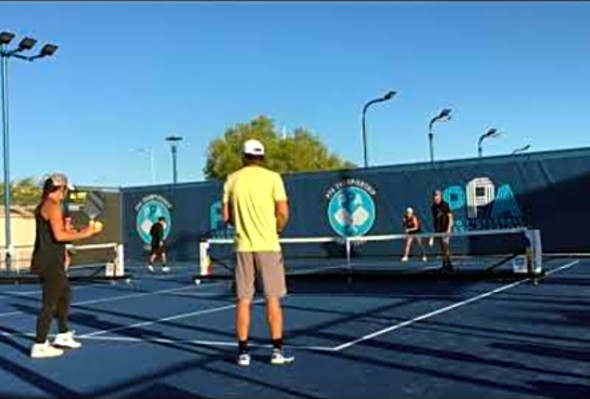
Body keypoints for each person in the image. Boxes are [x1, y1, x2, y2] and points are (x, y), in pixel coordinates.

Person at [222, 138, 293, 367]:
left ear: (243, 156)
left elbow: (226, 217)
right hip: (270, 246)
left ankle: (243, 353)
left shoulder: (232, 180)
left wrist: (241, 222)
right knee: (272, 299)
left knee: (243, 300)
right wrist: (276, 229)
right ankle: (277, 352)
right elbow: (283, 212)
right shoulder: (274, 178)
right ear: (262, 157)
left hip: (242, 247)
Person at [30, 173, 102, 359]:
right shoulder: (52, 205)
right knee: (50, 303)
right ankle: (39, 344)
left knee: (65, 294)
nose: (65, 194)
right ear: (59, 188)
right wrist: (87, 233)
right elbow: (60, 236)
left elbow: (58, 235)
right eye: (65, 191)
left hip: (52, 258)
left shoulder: (46, 205)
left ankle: (62, 335)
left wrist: (67, 247)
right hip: (50, 262)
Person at [430, 189, 454, 272]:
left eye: (437, 196)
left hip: (446, 229)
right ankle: (446, 264)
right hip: (439, 231)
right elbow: (435, 220)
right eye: (434, 196)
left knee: (445, 247)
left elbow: (450, 218)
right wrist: (435, 232)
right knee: (442, 249)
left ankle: (448, 265)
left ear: (440, 196)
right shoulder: (433, 207)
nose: (435, 197)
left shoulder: (445, 205)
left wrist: (448, 230)